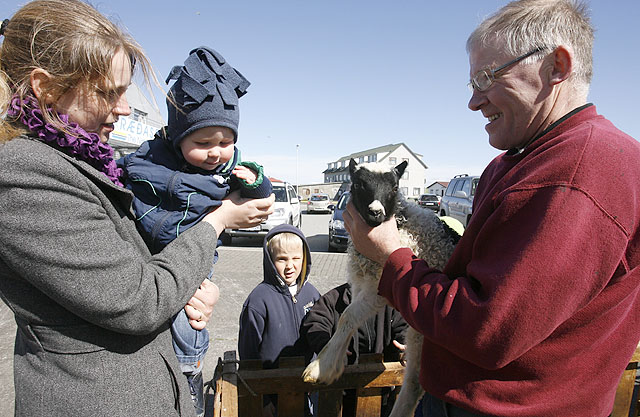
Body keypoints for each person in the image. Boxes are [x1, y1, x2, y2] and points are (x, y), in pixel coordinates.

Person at [343, 1, 640, 416]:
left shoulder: (578, 172)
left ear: (557, 66)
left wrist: (392, 256)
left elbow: (487, 330)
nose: (473, 102)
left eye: (486, 77)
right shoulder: (516, 161)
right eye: (471, 84)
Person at [0, 1, 274, 416]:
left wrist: (190, 286)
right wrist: (216, 224)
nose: (125, 107)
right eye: (110, 92)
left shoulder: (85, 160)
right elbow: (138, 300)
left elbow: (136, 267)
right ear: (45, 87)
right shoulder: (24, 173)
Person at [118, 45, 272, 416]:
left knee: (193, 314)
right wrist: (218, 219)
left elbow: (257, 197)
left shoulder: (228, 166)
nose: (216, 152)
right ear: (177, 137)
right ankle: (188, 372)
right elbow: (137, 192)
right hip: (162, 260)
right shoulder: (155, 166)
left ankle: (191, 372)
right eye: (202, 143)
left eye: (225, 141)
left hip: (200, 261)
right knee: (185, 315)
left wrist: (255, 180)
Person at [238, 224, 320, 416]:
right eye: (282, 259)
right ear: (270, 260)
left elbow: (320, 334)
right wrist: (258, 387)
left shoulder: (312, 295)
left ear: (304, 258)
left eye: (296, 258)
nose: (290, 266)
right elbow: (249, 351)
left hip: (303, 385)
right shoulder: (258, 300)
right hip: (269, 389)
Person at [301, 282, 408, 417]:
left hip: (382, 391)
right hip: (342, 395)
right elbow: (316, 323)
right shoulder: (334, 299)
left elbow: (404, 325)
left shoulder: (388, 301)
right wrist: (329, 346)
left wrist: (406, 343)